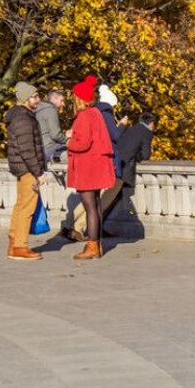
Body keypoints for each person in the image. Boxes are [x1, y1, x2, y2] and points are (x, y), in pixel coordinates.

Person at [65, 75, 114, 260]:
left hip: (87, 167)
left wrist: (70, 140)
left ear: (78, 98)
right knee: (96, 206)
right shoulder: (95, 113)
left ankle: (92, 246)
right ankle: (97, 245)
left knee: (90, 207)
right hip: (97, 165)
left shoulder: (84, 116)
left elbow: (83, 143)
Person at [5, 81, 46, 261]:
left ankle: (14, 243)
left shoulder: (20, 116)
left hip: (23, 168)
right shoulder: (23, 118)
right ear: (25, 98)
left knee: (21, 205)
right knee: (26, 208)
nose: (38, 100)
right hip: (28, 169)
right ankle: (20, 247)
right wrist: (39, 172)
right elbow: (28, 150)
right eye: (35, 96)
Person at [103, 112, 155, 224]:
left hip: (116, 163)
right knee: (114, 197)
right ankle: (98, 225)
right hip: (126, 167)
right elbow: (145, 155)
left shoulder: (132, 128)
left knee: (111, 196)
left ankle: (99, 225)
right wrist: (137, 156)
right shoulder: (146, 132)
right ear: (151, 123)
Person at [97, 84, 124, 180]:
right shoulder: (106, 113)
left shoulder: (96, 112)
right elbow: (115, 136)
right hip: (109, 154)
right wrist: (122, 125)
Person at [36, 90, 69, 164]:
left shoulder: (39, 109)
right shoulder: (50, 110)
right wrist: (67, 140)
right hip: (48, 148)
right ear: (54, 99)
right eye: (62, 101)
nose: (63, 104)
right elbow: (55, 135)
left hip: (39, 148)